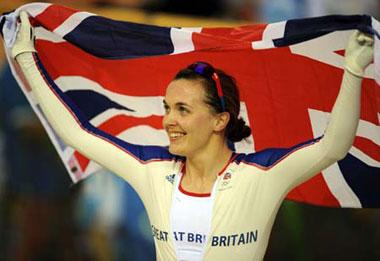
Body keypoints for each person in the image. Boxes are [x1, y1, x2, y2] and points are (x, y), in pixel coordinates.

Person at [11, 11, 374, 261]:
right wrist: (26, 57)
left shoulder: (261, 175)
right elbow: (75, 132)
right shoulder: (151, 169)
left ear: (219, 120)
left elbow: (333, 145)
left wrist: (354, 68)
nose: (168, 119)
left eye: (182, 109)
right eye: (167, 108)